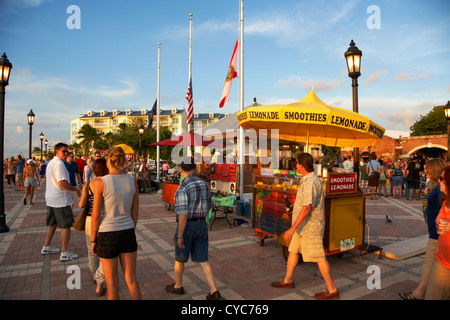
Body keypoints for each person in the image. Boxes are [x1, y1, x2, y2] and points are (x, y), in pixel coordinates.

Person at [271, 152, 339, 300]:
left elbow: (307, 207)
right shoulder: (307, 179)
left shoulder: (310, 182)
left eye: (296, 163)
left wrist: (291, 228)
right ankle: (288, 280)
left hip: (310, 228)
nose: (295, 165)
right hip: (301, 227)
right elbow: (305, 203)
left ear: (301, 165)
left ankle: (332, 290)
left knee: (320, 258)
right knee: (293, 251)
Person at [165, 157, 221, 300]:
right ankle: (214, 290)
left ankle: (178, 286)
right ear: (195, 169)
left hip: (187, 226)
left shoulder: (183, 187)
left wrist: (180, 236)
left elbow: (183, 214)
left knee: (180, 258)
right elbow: (209, 206)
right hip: (202, 224)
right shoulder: (204, 184)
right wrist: (203, 220)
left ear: (182, 170)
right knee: (203, 259)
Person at [90, 147, 141, 300]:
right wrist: (130, 229)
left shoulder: (100, 182)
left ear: (108, 161)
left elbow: (96, 216)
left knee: (112, 284)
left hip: (107, 234)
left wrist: (93, 239)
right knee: (131, 280)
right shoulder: (132, 181)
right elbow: (135, 212)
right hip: (127, 232)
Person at [399, 158, 446, 300]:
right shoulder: (438, 186)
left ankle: (419, 292)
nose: (425, 171)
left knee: (430, 262)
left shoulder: (442, 188)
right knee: (434, 263)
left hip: (438, 233)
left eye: (427, 168)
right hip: (436, 231)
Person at [41, 143, 81, 262]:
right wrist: (75, 189)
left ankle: (46, 246)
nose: (66, 154)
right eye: (64, 151)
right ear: (57, 151)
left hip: (51, 198)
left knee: (52, 223)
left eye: (67, 152)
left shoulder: (52, 163)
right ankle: (65, 252)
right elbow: (62, 182)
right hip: (60, 199)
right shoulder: (59, 164)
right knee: (66, 225)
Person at [78, 158, 108, 296]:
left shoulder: (89, 184)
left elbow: (81, 204)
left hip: (90, 220)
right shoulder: (108, 183)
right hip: (105, 219)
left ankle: (95, 276)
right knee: (105, 252)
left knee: (92, 250)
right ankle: (100, 283)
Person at [425, 165, 450, 300]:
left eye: (442, 179)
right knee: (433, 294)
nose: (439, 182)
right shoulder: (445, 202)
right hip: (442, 260)